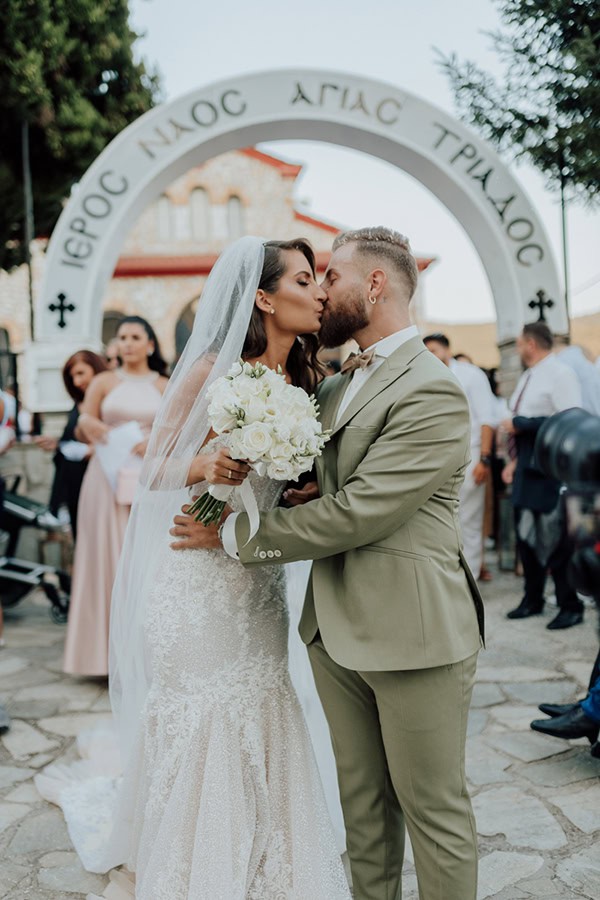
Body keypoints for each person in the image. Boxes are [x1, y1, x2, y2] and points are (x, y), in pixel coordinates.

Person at [177, 227, 485, 900]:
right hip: (333, 629)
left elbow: (362, 511)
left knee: (434, 815)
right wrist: (293, 488)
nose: (321, 291)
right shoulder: (336, 384)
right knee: (364, 816)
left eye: (332, 276)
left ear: (375, 284)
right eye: (309, 279)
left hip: (413, 634)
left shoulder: (432, 389)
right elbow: (323, 480)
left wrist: (234, 537)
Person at [38, 238, 350, 899]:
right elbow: (150, 466)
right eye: (303, 280)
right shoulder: (212, 369)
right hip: (196, 579)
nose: (319, 292)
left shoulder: (307, 382)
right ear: (264, 298)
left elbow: (291, 483)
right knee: (206, 710)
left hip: (257, 579)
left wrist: (297, 493)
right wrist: (203, 465)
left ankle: (271, 851)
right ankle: (195, 860)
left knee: (263, 698)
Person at [62, 317, 168, 676]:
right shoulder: (104, 381)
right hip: (105, 481)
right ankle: (102, 658)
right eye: (122, 337)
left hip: (149, 480)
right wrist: (90, 426)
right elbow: (83, 424)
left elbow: (178, 430)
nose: (127, 343)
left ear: (150, 344)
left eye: (135, 336)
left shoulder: (165, 384)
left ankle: (146, 655)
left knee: (146, 562)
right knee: (106, 558)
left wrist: (153, 440)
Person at [501, 322, 583, 628]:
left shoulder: (561, 374)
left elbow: (570, 420)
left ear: (531, 344)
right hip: (526, 465)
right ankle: (532, 598)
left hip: (550, 470)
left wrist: (521, 423)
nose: (518, 348)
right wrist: (514, 461)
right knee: (526, 536)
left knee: (556, 539)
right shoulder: (529, 375)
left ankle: (570, 605)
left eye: (519, 343)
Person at [423, 333, 496, 579]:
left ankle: (470, 577)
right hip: (436, 457)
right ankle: (448, 576)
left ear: (447, 350)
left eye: (434, 350)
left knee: (470, 519)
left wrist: (484, 459)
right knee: (442, 519)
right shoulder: (426, 376)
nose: (430, 355)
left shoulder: (471, 375)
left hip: (470, 454)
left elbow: (486, 419)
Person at [35, 351, 108, 539]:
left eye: (81, 373)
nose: (77, 381)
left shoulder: (110, 403)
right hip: (75, 487)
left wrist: (94, 450)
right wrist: (57, 444)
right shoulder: (78, 403)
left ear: (95, 369)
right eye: (72, 377)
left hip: (102, 484)